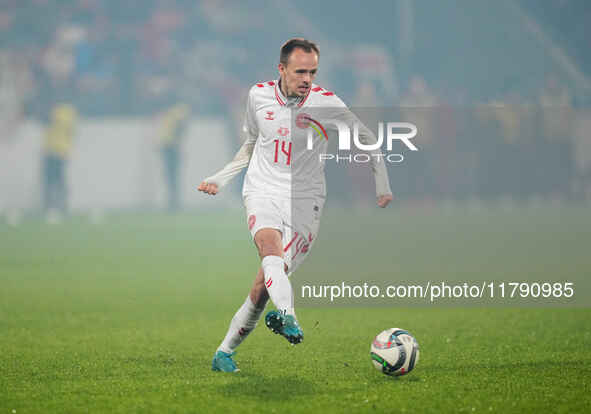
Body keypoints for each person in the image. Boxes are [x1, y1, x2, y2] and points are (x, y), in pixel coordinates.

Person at [198, 38, 393, 372]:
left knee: (263, 286)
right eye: (300, 71)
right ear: (282, 69)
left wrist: (382, 184)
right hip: (262, 189)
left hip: (306, 201)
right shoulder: (257, 95)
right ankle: (289, 316)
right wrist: (221, 177)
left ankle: (223, 353)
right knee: (270, 251)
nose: (307, 79)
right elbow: (251, 143)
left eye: (313, 72)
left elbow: (367, 139)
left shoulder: (326, 103)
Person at [42, 103, 77, 221]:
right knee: (50, 182)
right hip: (50, 150)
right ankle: (50, 208)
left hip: (60, 151)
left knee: (58, 182)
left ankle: (62, 207)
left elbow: (70, 130)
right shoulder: (60, 111)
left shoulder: (65, 111)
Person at [158, 103, 190, 212]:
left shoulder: (177, 111)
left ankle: (173, 201)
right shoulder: (176, 112)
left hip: (171, 146)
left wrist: (177, 141)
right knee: (170, 175)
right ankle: (173, 200)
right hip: (168, 145)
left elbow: (182, 126)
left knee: (171, 174)